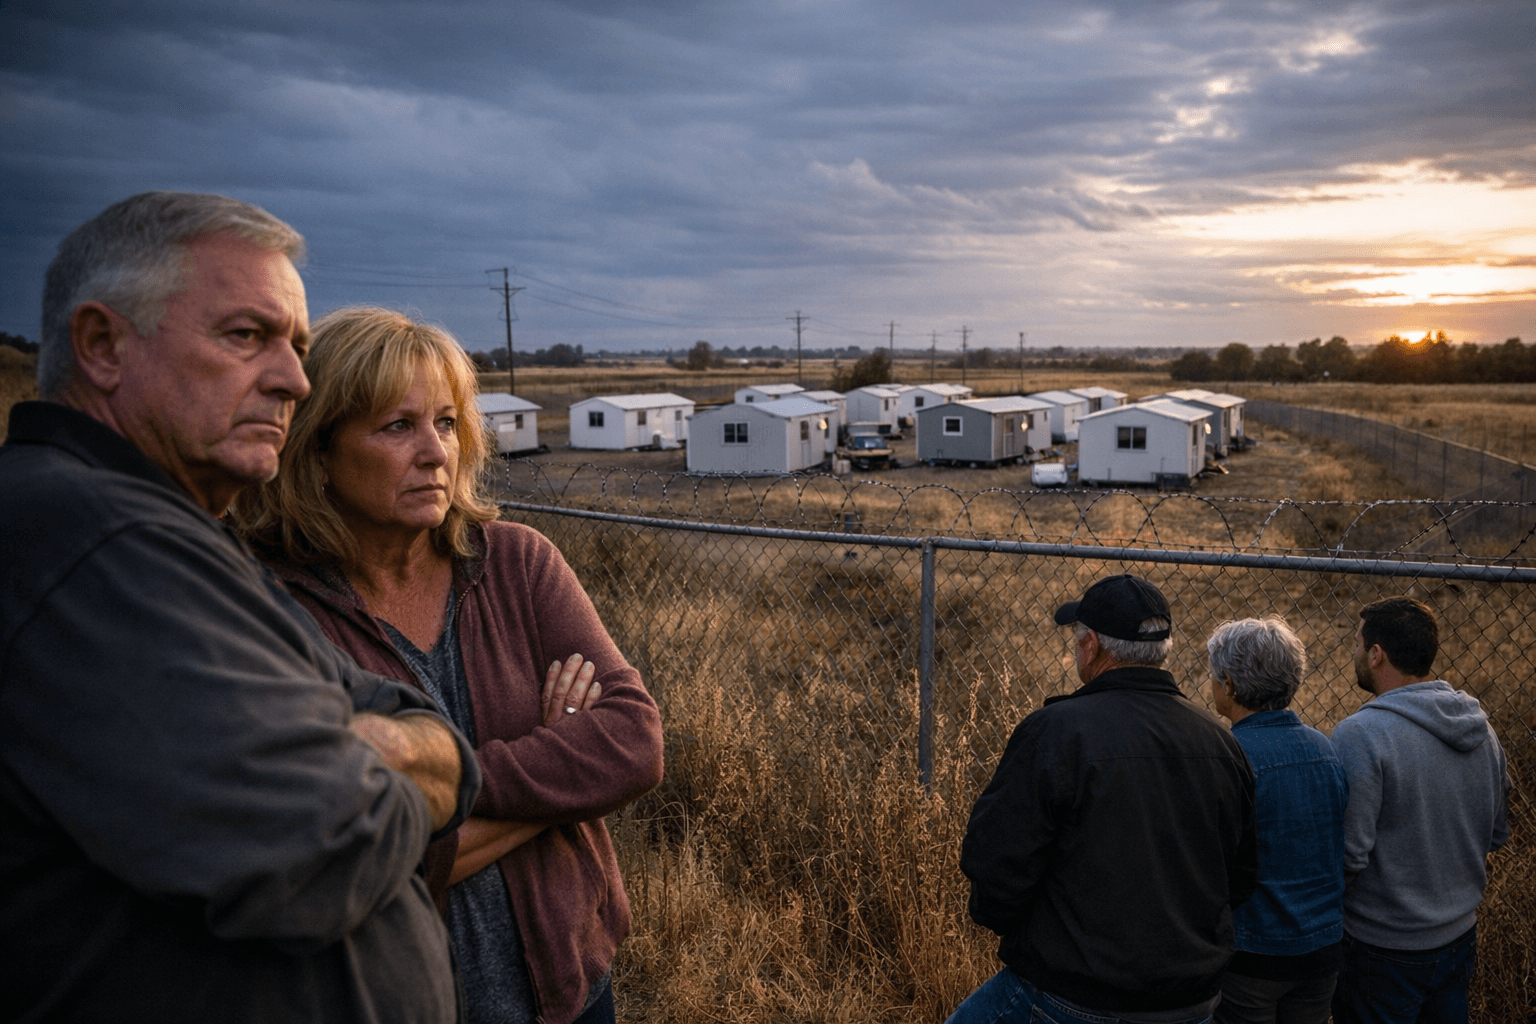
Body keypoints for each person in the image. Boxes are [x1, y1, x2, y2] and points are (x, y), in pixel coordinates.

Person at [0, 192, 480, 1022]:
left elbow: (435, 745)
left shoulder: (181, 539)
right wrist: (405, 759)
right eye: (246, 336)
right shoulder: (92, 539)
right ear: (101, 345)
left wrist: (381, 746)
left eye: (296, 346)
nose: (295, 378)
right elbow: (318, 849)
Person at [231, 305, 664, 1024]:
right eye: (397, 426)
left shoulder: (517, 563)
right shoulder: (275, 612)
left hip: (569, 990)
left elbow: (632, 744)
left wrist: (428, 791)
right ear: (319, 450)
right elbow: (338, 864)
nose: (436, 452)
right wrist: (554, 762)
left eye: (447, 422)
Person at [949, 573, 1258, 1024]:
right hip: (1190, 998)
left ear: (1091, 646)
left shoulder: (1056, 732)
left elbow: (997, 860)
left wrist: (1016, 929)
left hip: (1071, 993)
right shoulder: (1220, 741)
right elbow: (1242, 875)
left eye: (1078, 640)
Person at [1329, 597, 1510, 1024]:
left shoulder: (1361, 735)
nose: (1353, 654)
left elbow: (1349, 856)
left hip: (1382, 949)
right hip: (1460, 937)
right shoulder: (1481, 727)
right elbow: (1498, 833)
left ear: (1377, 654)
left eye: (1357, 645)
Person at [1206, 617, 1349, 1024]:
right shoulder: (1324, 748)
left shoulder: (1230, 755)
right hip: (1322, 951)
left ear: (1229, 686)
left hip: (1254, 955)